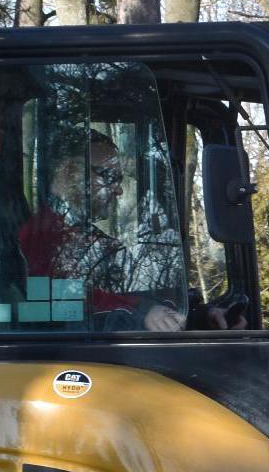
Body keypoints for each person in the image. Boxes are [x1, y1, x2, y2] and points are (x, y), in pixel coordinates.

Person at [17, 130, 184, 331]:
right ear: (69, 172)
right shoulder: (40, 236)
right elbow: (66, 300)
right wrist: (141, 311)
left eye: (119, 180)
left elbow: (133, 289)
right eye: (110, 176)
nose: (118, 189)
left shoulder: (91, 238)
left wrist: (193, 311)